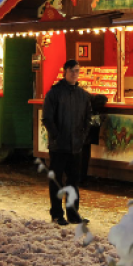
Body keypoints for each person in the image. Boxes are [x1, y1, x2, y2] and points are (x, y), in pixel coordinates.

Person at [41, 59, 91, 225]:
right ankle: (57, 214)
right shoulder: (54, 93)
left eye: (77, 70)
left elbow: (87, 119)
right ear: (65, 71)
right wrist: (56, 136)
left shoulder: (82, 95)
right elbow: (47, 118)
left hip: (76, 145)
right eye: (72, 70)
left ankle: (73, 212)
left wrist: (82, 137)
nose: (75, 73)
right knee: (56, 181)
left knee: (73, 181)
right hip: (59, 146)